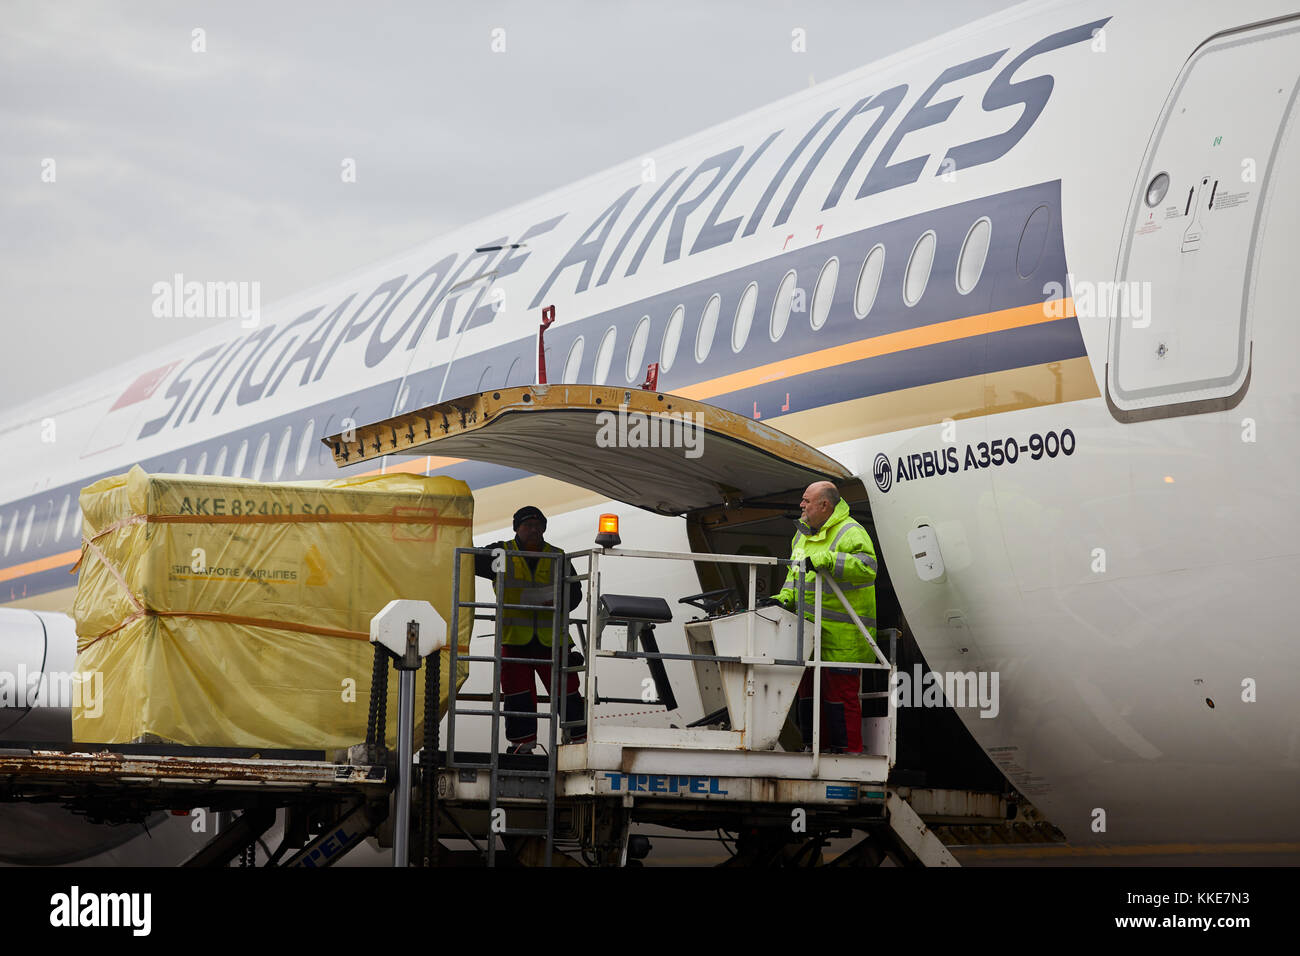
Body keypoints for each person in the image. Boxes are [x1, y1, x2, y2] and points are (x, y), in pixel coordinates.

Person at [775, 481, 878, 754]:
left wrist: (830, 560)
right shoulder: (800, 536)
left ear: (824, 505)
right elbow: (793, 576)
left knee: (839, 698)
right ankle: (813, 748)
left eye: (806, 500)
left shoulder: (851, 531)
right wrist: (782, 600)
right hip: (808, 632)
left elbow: (869, 568)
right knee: (808, 694)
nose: (801, 505)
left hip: (843, 636)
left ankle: (848, 753)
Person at [474, 505, 586, 754]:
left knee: (568, 692)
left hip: (552, 639)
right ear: (516, 528)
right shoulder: (501, 553)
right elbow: (469, 560)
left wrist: (559, 603)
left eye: (538, 525)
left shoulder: (558, 555)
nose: (534, 530)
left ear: (544, 528)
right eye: (528, 525)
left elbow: (576, 594)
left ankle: (578, 739)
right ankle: (522, 743)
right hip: (515, 638)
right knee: (517, 694)